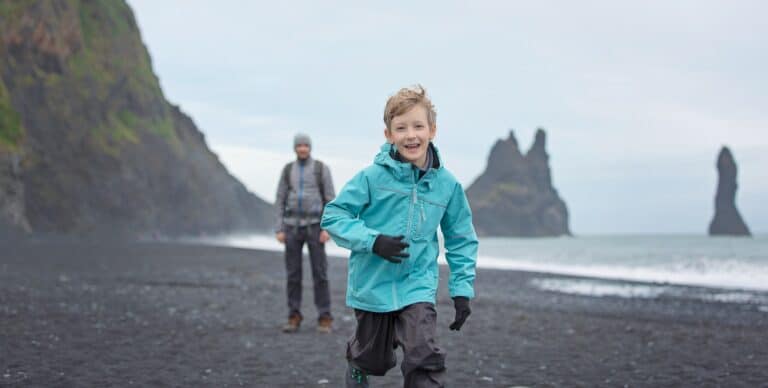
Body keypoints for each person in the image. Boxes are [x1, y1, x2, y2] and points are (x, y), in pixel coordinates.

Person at [321, 85, 478, 387]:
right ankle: (357, 366)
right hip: (372, 284)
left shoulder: (447, 185)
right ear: (388, 135)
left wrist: (462, 289)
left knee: (423, 355)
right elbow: (334, 216)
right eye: (401, 128)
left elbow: (461, 238)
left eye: (418, 126)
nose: (411, 135)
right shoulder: (371, 177)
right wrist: (373, 241)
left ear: (432, 130)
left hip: (417, 283)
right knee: (373, 360)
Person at [275, 133, 336, 333]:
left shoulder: (320, 169)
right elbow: (280, 199)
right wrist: (279, 228)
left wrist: (327, 228)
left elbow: (330, 199)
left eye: (305, 145)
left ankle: (324, 317)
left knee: (320, 274)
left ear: (310, 147)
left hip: (315, 227)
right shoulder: (287, 170)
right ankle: (294, 316)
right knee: (293, 275)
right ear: (295, 148)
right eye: (299, 145)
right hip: (292, 228)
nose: (302, 148)